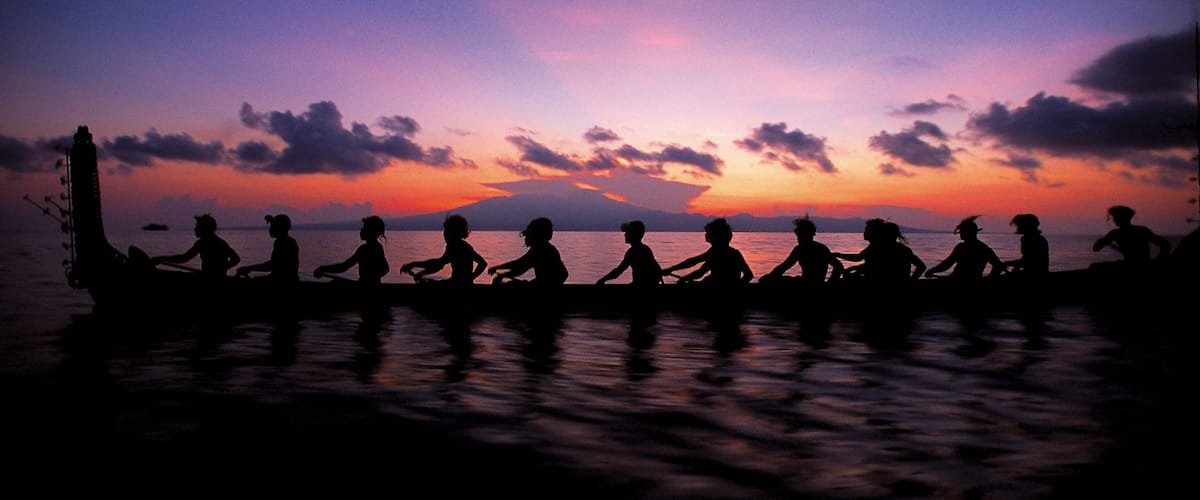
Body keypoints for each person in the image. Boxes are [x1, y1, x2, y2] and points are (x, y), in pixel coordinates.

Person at [661, 218, 753, 286]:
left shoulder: (718, 253)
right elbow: (699, 269)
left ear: (716, 236)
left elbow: (696, 265)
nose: (705, 235)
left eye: (708, 233)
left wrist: (734, 288)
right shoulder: (732, 253)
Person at [400, 214, 487, 285]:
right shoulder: (466, 246)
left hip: (457, 286)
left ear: (453, 232)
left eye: (446, 231)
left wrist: (414, 264)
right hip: (463, 285)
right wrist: (470, 278)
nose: (444, 234)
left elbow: (438, 264)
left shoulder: (455, 246)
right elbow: (482, 263)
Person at [150, 213, 240, 278]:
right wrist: (222, 268)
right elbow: (236, 259)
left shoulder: (203, 243)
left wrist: (160, 258)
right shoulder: (222, 243)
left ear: (204, 228)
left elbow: (183, 258)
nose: (195, 228)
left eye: (197, 226)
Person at [835, 218, 926, 282]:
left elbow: (859, 258)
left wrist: (838, 255)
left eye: (867, 230)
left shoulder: (878, 247)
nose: (864, 232)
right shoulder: (902, 248)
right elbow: (921, 266)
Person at [759, 216, 843, 285]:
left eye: (801, 234)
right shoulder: (801, 249)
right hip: (805, 282)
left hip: (808, 284)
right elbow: (784, 267)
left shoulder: (818, 249)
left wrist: (829, 284)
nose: (799, 237)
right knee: (767, 279)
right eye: (798, 234)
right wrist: (771, 276)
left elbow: (838, 266)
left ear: (810, 234)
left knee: (766, 280)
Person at [487, 217, 568, 286]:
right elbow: (520, 265)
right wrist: (501, 271)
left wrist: (500, 272)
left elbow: (520, 266)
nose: (525, 239)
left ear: (535, 235)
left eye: (527, 235)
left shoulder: (541, 249)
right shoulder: (543, 248)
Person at [314, 215, 389, 285]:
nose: (361, 230)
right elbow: (385, 269)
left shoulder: (365, 249)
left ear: (371, 231)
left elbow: (344, 266)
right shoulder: (377, 247)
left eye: (364, 228)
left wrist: (323, 269)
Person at [924, 215, 1004, 279]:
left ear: (968, 232)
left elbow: (948, 263)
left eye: (962, 231)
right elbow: (998, 266)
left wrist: (931, 271)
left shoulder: (962, 247)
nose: (960, 234)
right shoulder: (984, 248)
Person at [1092, 205, 1171, 265]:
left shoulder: (1115, 233)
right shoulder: (1142, 230)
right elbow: (1165, 244)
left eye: (1116, 216)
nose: (1114, 219)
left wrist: (1102, 240)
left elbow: (1096, 248)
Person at [597, 220, 663, 287]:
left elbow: (619, 271)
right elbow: (657, 269)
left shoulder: (633, 252)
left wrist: (602, 280)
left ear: (633, 234)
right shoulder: (646, 249)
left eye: (627, 232)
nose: (625, 234)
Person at [236, 214, 299, 282]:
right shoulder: (284, 242)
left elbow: (273, 265)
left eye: (272, 226)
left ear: (280, 228)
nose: (270, 229)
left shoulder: (284, 243)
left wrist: (248, 268)